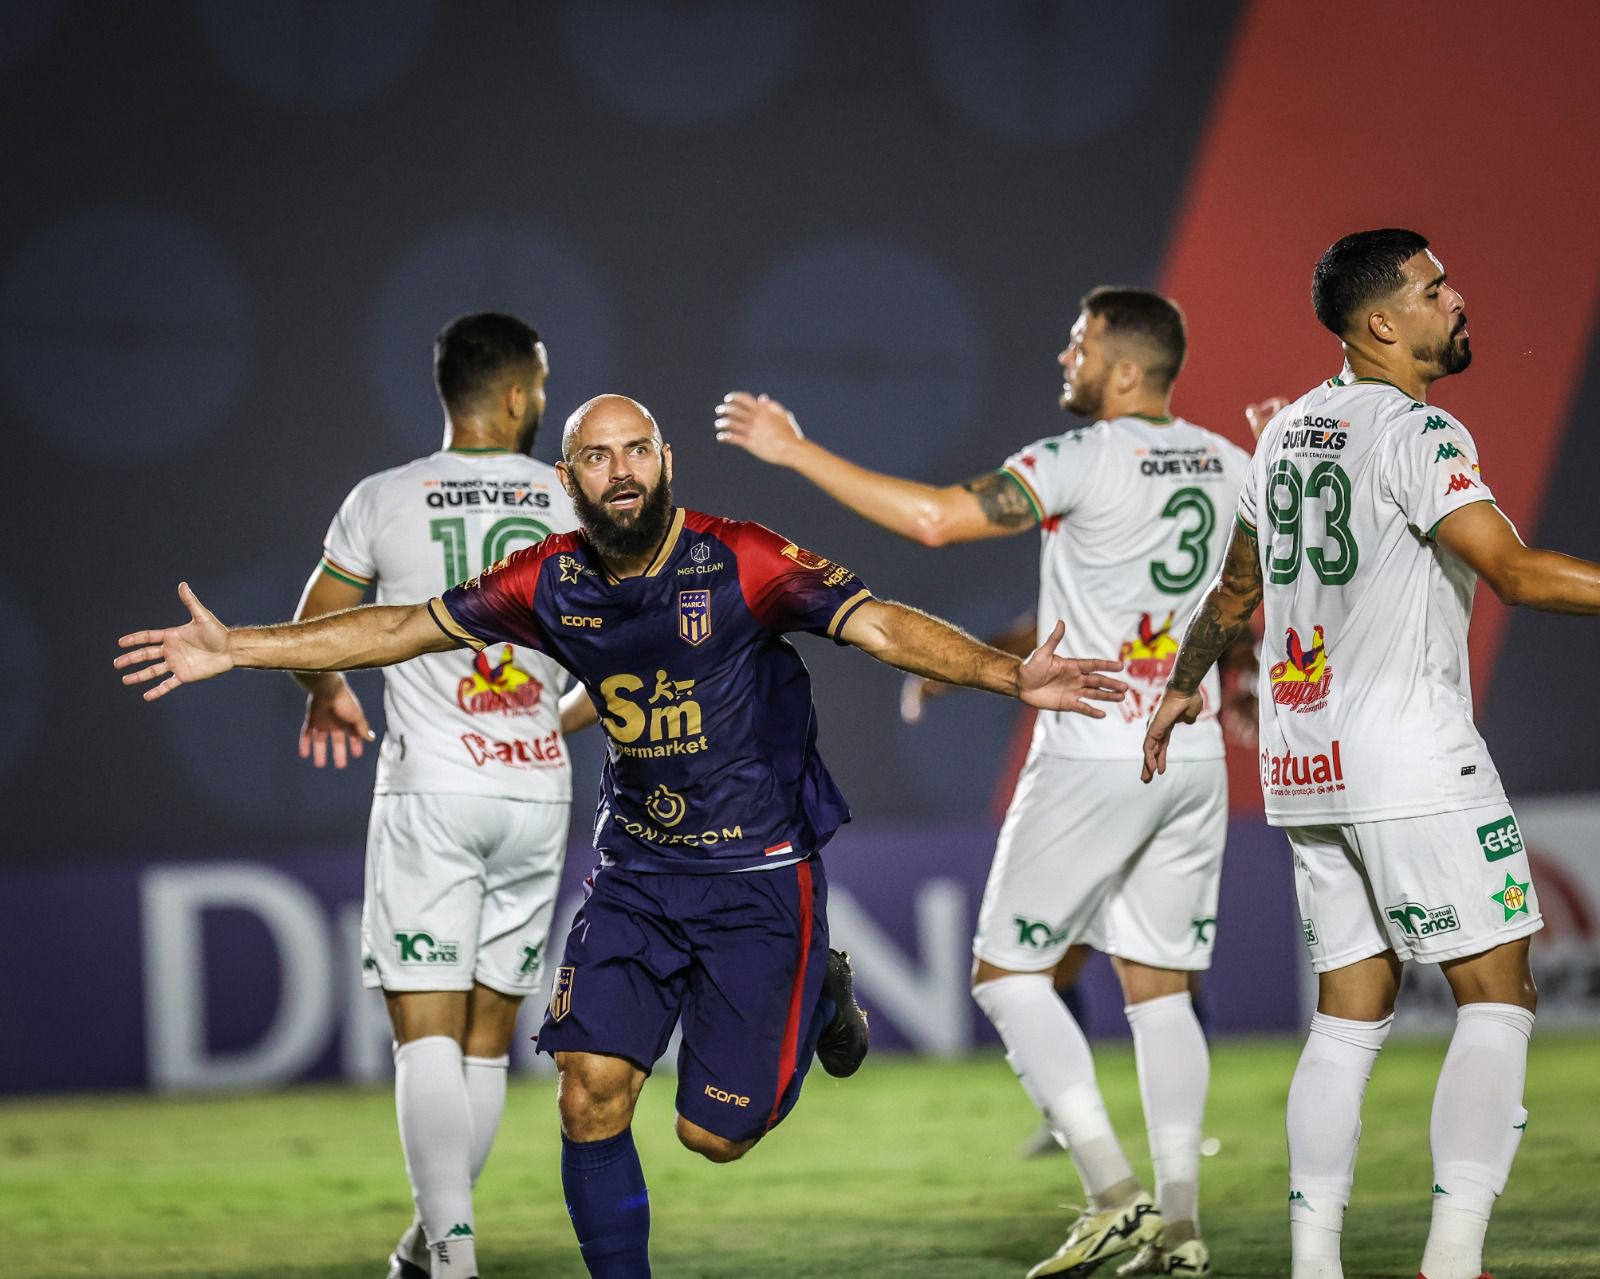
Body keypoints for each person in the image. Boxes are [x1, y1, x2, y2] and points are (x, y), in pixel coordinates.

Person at [115, 393, 1129, 1279]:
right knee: (589, 1095)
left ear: (665, 462)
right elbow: (400, 625)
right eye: (595, 456)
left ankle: (822, 983)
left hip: (758, 878)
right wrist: (237, 648)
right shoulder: (548, 579)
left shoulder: (743, 558)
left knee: (710, 1135)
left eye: (636, 449)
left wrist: (1006, 676)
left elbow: (877, 624)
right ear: (569, 479)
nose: (620, 470)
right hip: (637, 871)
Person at [715, 287, 1253, 1278]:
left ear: (1125, 369)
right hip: (1190, 745)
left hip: (1094, 741)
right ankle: (1180, 1227)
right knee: (1161, 988)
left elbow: (933, 521)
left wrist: (794, 451)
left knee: (1006, 974)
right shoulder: (1231, 461)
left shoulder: (1083, 459)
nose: (1066, 355)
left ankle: (1112, 1194)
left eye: (1080, 341)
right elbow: (1241, 599)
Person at [1140, 228, 1597, 1279]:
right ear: (1382, 322)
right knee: (1497, 993)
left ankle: (1314, 1266)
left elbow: (1234, 596)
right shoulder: (1418, 434)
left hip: (1307, 769)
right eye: (1436, 289)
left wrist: (1177, 689)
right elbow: (1515, 572)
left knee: (1348, 1014)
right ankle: (1450, 1259)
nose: (1458, 301)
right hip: (1409, 759)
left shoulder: (1287, 432)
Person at [289, 312, 581, 1279]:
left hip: (432, 789)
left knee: (426, 1036)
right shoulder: (571, 498)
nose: (541, 399)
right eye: (540, 384)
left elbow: (316, 629)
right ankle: (428, 1248)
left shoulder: (383, 498)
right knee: (488, 1044)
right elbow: (629, 646)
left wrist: (327, 690)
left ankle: (448, 1260)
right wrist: (554, 716)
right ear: (514, 395)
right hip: (536, 788)